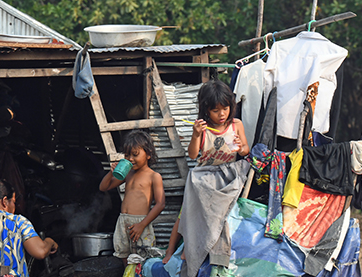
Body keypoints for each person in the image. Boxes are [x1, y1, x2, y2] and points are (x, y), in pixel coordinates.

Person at [164, 80, 251, 262]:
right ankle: (171, 253)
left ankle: (213, 251)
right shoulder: (202, 129)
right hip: (203, 178)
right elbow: (193, 154)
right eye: (215, 110)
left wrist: (240, 146)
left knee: (222, 216)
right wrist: (196, 135)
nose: (222, 114)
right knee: (187, 214)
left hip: (228, 178)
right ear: (206, 110)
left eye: (225, 108)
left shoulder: (236, 125)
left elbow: (246, 151)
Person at [99, 130, 166, 263]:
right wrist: (111, 173)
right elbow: (103, 187)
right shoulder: (128, 173)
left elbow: (160, 204)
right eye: (127, 155)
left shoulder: (154, 176)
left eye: (135, 154)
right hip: (123, 220)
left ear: (148, 154)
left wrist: (142, 224)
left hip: (141, 222)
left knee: (142, 257)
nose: (130, 159)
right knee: (124, 255)